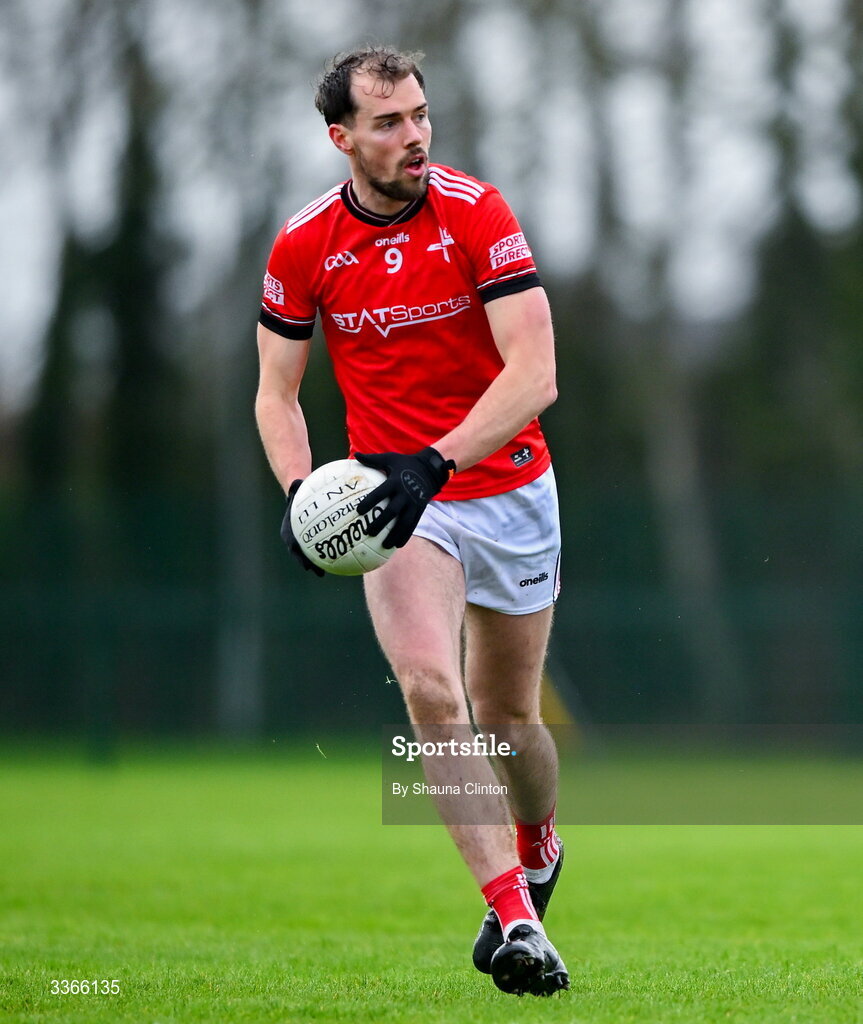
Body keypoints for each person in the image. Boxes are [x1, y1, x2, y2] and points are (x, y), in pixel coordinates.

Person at [255, 46, 569, 997]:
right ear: (340, 137)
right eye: (388, 123)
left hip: (507, 488)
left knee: (511, 720)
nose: (414, 136)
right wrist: (306, 496)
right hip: (398, 512)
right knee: (432, 690)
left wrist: (438, 459)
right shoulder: (303, 245)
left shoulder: (476, 213)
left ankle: (540, 843)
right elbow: (276, 394)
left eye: (420, 115)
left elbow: (535, 376)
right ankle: (515, 919)